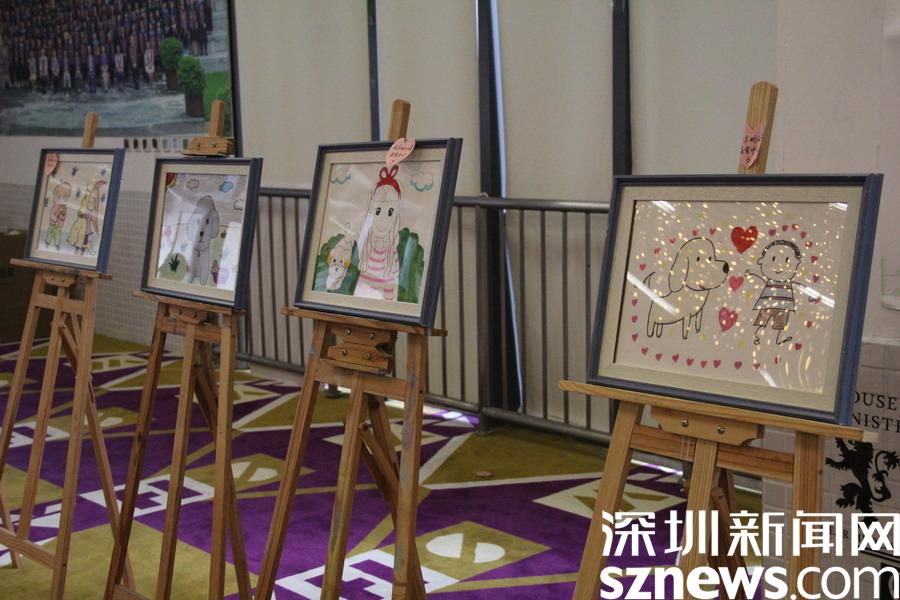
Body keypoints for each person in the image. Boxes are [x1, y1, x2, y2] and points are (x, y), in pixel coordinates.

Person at [745, 239, 804, 346]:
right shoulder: (770, 282)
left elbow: (799, 287)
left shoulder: (788, 283)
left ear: (797, 263)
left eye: (787, 260)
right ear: (761, 261)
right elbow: (760, 280)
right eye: (773, 259)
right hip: (767, 304)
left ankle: (776, 339)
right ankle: (757, 336)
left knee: (779, 325)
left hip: (784, 306)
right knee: (762, 322)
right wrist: (751, 275)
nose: (779, 265)